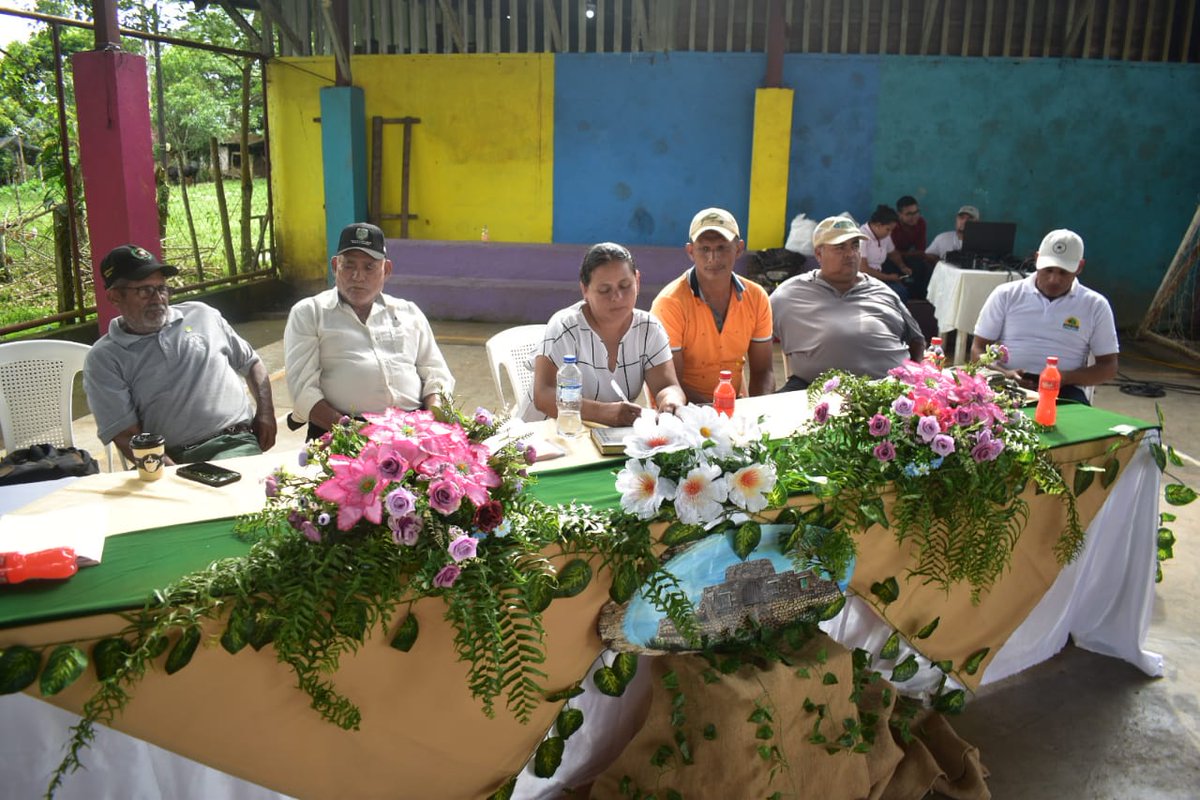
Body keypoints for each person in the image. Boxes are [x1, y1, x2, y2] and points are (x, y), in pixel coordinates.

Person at [83, 244, 276, 465]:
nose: (158, 298)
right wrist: (173, 474)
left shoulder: (203, 315)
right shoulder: (105, 358)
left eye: (162, 288)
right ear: (115, 297)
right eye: (144, 291)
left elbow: (252, 364)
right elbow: (127, 436)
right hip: (172, 458)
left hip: (234, 443)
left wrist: (266, 413)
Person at [284, 222, 455, 439]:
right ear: (335, 266)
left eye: (369, 266)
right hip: (341, 433)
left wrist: (432, 420)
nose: (358, 276)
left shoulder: (408, 311)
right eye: (349, 265)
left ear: (387, 270)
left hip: (413, 430)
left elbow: (435, 372)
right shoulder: (310, 313)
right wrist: (356, 434)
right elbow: (302, 392)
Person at [529, 242, 686, 425]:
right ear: (585, 290)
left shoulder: (649, 328)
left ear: (637, 280)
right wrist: (604, 413)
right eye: (605, 290)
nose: (616, 297)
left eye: (625, 285)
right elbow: (544, 395)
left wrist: (670, 400)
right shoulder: (567, 327)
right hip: (547, 435)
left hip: (605, 436)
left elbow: (666, 386)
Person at [771, 215, 926, 391]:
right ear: (818, 254)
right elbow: (754, 336)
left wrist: (915, 379)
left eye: (855, 246)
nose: (850, 254)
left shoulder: (882, 291)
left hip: (888, 392)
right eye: (840, 247)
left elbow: (917, 341)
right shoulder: (790, 294)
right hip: (816, 393)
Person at [971, 229, 1118, 405]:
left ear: (1079, 267)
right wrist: (1003, 373)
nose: (1054, 279)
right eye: (1048, 270)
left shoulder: (1095, 305)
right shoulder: (1006, 294)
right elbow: (977, 350)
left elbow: (1108, 367)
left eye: (1063, 272)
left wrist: (1065, 378)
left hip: (1065, 390)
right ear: (1037, 259)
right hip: (1006, 383)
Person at [650, 208, 774, 403]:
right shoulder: (670, 303)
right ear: (691, 251)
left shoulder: (757, 297)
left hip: (733, 408)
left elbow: (763, 371)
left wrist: (757, 410)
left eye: (722, 247)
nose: (713, 258)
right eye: (704, 249)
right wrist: (716, 413)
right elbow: (670, 383)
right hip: (680, 410)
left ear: (739, 249)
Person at [858, 205, 912, 300]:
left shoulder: (885, 236)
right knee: (897, 292)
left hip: (879, 277)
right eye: (888, 229)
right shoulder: (862, 237)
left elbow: (893, 253)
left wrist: (902, 266)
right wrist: (888, 277)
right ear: (878, 225)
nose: (890, 233)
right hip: (863, 280)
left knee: (903, 290)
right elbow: (863, 268)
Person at [891, 195, 933, 298]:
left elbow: (920, 250)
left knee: (924, 266)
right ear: (899, 215)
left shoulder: (921, 223)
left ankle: (921, 300)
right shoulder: (892, 225)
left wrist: (914, 255)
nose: (914, 217)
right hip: (889, 259)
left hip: (908, 257)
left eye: (916, 212)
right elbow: (889, 252)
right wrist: (912, 254)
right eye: (909, 214)